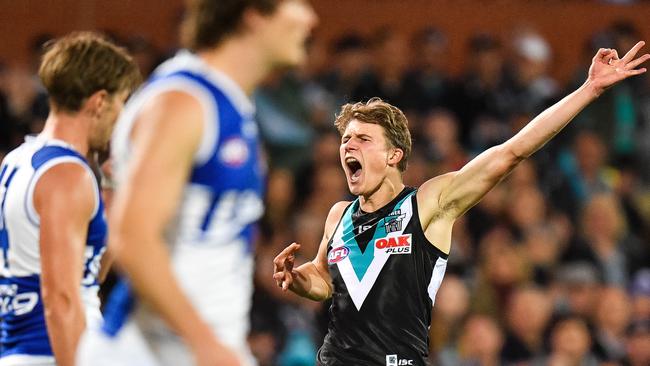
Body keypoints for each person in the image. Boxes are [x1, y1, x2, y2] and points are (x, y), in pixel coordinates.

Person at [273, 42, 649, 365]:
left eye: (362, 139)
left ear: (394, 155)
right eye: (345, 140)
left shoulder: (429, 202)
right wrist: (299, 278)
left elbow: (511, 151)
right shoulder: (338, 214)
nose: (348, 146)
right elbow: (325, 282)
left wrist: (589, 88)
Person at [77, 1, 317, 366]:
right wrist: (205, 344)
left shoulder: (232, 102)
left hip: (202, 345)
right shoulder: (182, 102)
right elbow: (132, 237)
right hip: (152, 351)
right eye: (296, 4)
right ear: (252, 15)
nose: (310, 18)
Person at [0, 32, 140, 366]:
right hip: (53, 351)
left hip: (25, 350)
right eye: (122, 103)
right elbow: (61, 298)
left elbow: (88, 273)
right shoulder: (68, 176)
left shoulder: (19, 159)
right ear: (99, 101)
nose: (122, 118)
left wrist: (111, 189)